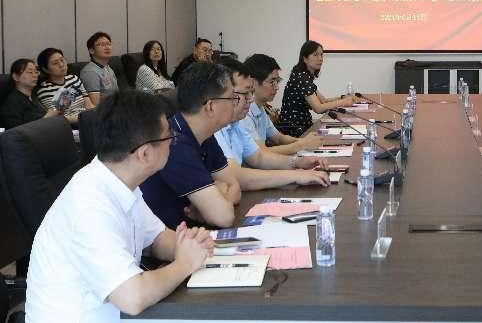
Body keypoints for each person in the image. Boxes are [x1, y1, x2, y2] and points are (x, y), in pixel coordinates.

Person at [25, 90, 213, 321]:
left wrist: (192, 245)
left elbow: (157, 238)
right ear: (144, 154)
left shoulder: (119, 179)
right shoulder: (88, 205)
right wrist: (185, 263)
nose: (173, 141)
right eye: (169, 136)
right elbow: (132, 298)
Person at [141, 62, 241, 229]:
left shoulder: (205, 134)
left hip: (193, 232)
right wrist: (218, 197)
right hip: (169, 240)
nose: (235, 103)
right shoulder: (174, 143)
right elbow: (224, 217)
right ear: (210, 106)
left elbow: (234, 187)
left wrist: (217, 200)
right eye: (232, 98)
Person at [213, 57, 331, 190]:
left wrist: (297, 162)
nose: (250, 99)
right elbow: (236, 176)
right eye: (245, 93)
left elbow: (258, 157)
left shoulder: (235, 123)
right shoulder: (215, 130)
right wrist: (296, 174)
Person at [242, 53, 321, 154]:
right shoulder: (244, 113)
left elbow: (278, 138)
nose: (277, 87)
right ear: (252, 83)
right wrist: (302, 144)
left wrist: (303, 141)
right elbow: (261, 153)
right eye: (272, 82)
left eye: (277, 81)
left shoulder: (260, 108)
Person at [279, 40, 355, 135]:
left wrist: (343, 97)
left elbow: (323, 101)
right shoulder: (301, 78)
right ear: (305, 59)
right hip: (294, 129)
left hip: (302, 125)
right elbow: (318, 108)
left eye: (321, 55)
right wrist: (343, 102)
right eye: (315, 55)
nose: (320, 59)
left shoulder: (304, 76)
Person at [34, 47, 95, 125]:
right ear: (46, 69)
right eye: (55, 63)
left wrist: (96, 115)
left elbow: (88, 104)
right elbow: (59, 116)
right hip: (72, 125)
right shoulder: (45, 90)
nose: (61, 65)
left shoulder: (74, 79)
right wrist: (85, 118)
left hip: (88, 119)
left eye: (62, 60)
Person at [0, 58, 60, 128]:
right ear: (16, 77)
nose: (35, 75)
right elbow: (15, 131)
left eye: (36, 72)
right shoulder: (12, 102)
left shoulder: (34, 96)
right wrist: (47, 117)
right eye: (30, 72)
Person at [79, 31, 120, 105]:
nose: (107, 47)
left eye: (108, 44)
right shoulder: (90, 72)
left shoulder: (108, 68)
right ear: (91, 50)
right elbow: (95, 105)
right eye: (102, 45)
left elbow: (117, 94)